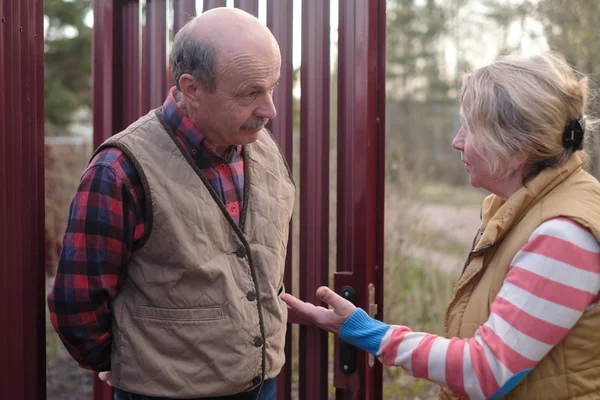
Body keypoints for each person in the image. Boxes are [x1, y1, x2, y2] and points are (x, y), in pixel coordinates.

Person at [282, 52, 600, 400]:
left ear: (516, 149)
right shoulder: (523, 210)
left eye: (470, 128)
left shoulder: (563, 234)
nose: (457, 141)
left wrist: (367, 332)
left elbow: (485, 371)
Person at [47, 7, 294, 400]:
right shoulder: (120, 170)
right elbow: (77, 301)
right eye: (250, 92)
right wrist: (125, 362)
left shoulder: (261, 149)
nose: (270, 110)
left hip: (262, 385)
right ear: (192, 89)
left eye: (273, 87)